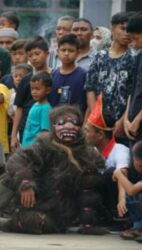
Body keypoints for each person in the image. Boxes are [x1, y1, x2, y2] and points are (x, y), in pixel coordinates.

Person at [0, 105, 107, 235]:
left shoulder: (86, 153)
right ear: (53, 126)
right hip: (36, 198)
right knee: (11, 177)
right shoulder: (44, 145)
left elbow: (92, 185)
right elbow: (17, 161)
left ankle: (2, 223)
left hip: (58, 211)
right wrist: (26, 182)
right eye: (62, 123)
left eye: (74, 123)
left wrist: (87, 222)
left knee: (38, 222)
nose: (68, 127)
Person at [86, 12, 134, 140]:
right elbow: (90, 87)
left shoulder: (134, 58)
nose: (127, 33)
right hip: (99, 121)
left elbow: (133, 93)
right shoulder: (100, 56)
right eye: (123, 29)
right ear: (112, 28)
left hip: (124, 122)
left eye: (130, 30)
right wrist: (95, 115)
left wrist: (123, 119)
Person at [84, 94, 130, 224]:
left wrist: (122, 200)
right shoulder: (91, 152)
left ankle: (119, 218)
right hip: (100, 198)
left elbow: (123, 175)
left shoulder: (120, 150)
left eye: (88, 131)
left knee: (111, 172)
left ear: (100, 135)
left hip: (116, 199)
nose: (84, 134)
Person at [10, 36, 51, 151]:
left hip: (46, 128)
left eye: (37, 54)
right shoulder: (25, 79)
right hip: (27, 129)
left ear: (47, 53)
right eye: (30, 55)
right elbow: (19, 107)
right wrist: (14, 135)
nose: (34, 58)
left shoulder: (54, 76)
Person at [113, 141, 142, 243]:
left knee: (136, 196)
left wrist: (118, 174)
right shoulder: (131, 165)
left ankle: (139, 227)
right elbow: (124, 174)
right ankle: (138, 226)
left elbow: (132, 190)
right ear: (133, 159)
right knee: (129, 197)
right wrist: (121, 198)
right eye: (140, 166)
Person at [50, 34, 87, 114]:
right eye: (63, 50)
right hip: (55, 122)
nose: (66, 53)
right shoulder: (53, 75)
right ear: (58, 51)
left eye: (71, 51)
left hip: (76, 122)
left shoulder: (83, 75)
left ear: (78, 53)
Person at [21, 72, 52, 148]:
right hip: (26, 146)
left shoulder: (46, 108)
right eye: (32, 89)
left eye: (37, 89)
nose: (34, 92)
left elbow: (45, 132)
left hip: (35, 148)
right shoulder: (35, 104)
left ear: (48, 90)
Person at [125, 14, 142, 144]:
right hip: (132, 125)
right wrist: (126, 118)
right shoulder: (139, 56)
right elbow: (131, 88)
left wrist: (138, 120)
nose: (133, 43)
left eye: (135, 38)